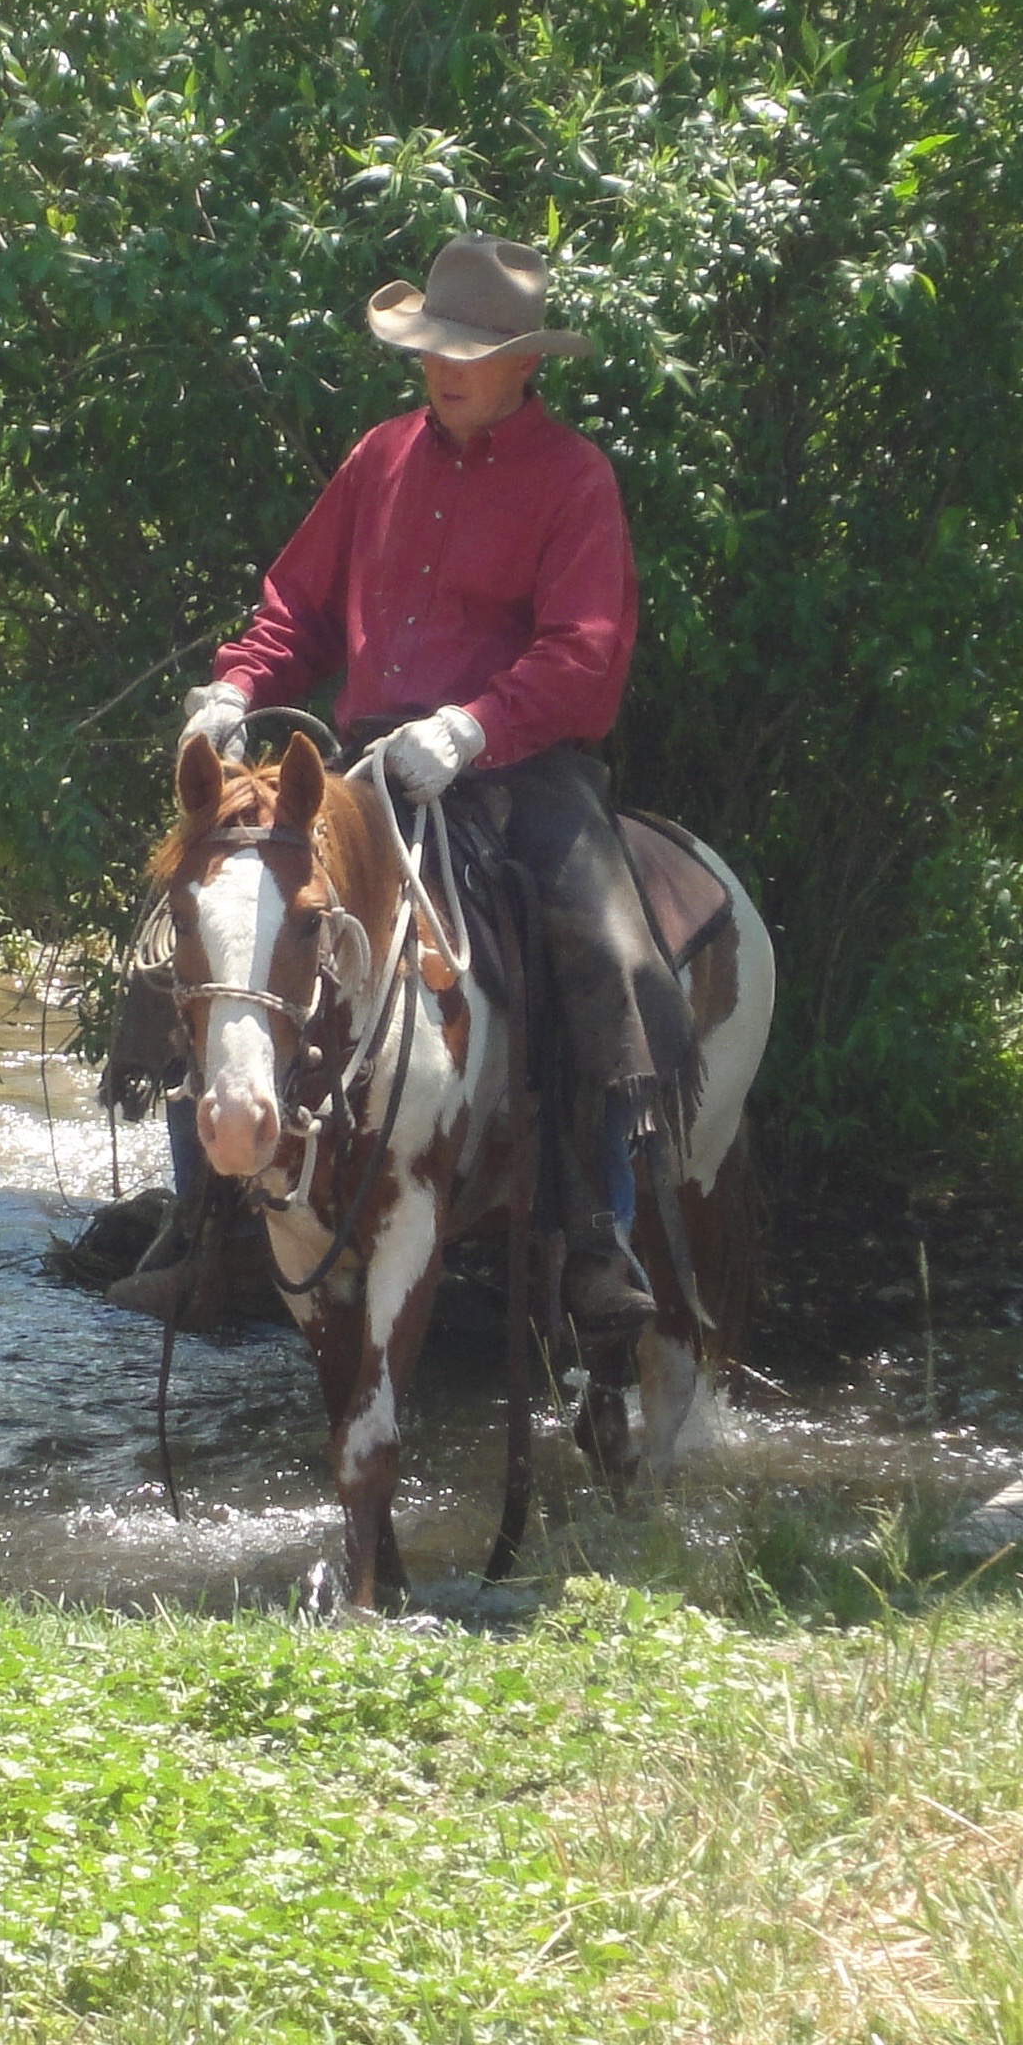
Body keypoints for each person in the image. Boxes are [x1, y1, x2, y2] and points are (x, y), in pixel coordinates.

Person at [171, 236, 693, 1342]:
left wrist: (471, 726)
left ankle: (599, 1231)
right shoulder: (378, 458)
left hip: (520, 771)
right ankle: (207, 1208)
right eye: (435, 346)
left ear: (521, 362)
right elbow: (295, 609)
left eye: (473, 348)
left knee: (606, 954)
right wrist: (236, 685)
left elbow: (584, 652)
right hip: (364, 768)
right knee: (202, 920)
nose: (445, 365)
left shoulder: (572, 476)